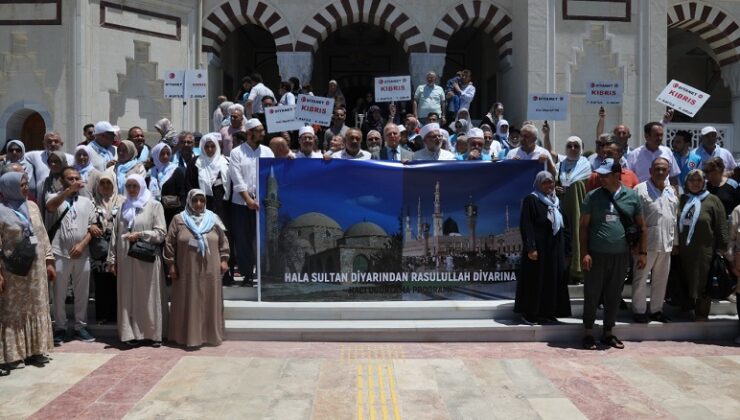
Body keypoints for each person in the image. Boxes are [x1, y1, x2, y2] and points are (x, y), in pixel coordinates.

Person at [580, 158, 647, 349]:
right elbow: (583, 227)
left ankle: (608, 332)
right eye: (600, 174)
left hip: (620, 256)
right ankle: (588, 332)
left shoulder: (631, 196)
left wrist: (643, 253)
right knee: (592, 293)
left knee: (614, 294)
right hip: (596, 254)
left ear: (617, 175)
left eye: (605, 175)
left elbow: (642, 226)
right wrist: (584, 253)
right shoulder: (592, 197)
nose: (601, 178)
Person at [0, 172, 56, 374]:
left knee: (37, 307)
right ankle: (14, 354)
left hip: (36, 270)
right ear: (9, 187)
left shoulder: (32, 206)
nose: (25, 188)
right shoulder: (1, 211)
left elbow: (42, 235)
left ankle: (35, 350)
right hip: (14, 272)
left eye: (26, 184)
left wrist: (49, 261)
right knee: (13, 311)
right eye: (21, 185)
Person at [164, 189, 229, 347]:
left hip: (210, 270)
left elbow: (223, 241)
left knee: (209, 300)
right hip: (186, 270)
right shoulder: (179, 219)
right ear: (189, 201)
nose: (198, 204)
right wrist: (171, 265)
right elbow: (169, 243)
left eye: (202, 200)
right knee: (188, 299)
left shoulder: (213, 219)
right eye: (195, 200)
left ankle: (210, 335)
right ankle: (186, 336)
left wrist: (224, 259)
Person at [108, 174, 166, 346]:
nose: (132, 190)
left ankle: (152, 334)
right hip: (126, 260)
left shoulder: (154, 206)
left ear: (142, 186)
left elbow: (161, 233)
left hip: (145, 259)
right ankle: (130, 334)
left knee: (148, 295)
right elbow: (114, 235)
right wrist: (112, 260)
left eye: (135, 186)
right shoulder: (122, 207)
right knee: (128, 297)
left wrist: (141, 235)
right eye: (129, 186)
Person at [45, 167, 96, 344]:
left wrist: (82, 244)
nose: (74, 181)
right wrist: (67, 192)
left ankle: (80, 326)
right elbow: (50, 208)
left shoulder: (86, 201)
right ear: (62, 181)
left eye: (76, 178)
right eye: (70, 179)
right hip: (59, 251)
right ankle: (60, 327)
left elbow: (93, 226)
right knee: (59, 293)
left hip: (82, 253)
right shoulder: (54, 197)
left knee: (82, 292)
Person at [516, 171, 571, 324]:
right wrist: (531, 247)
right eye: (545, 182)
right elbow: (526, 225)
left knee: (553, 281)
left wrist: (567, 250)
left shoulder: (556, 202)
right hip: (538, 250)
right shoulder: (531, 200)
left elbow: (565, 226)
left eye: (551, 182)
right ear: (538, 184)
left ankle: (548, 312)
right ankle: (530, 313)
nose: (549, 185)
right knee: (535, 280)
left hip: (555, 249)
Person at [677, 169, 729, 321]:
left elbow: (721, 225)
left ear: (704, 182)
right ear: (686, 182)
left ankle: (701, 313)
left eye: (698, 180)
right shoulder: (682, 199)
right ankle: (686, 308)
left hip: (704, 249)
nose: (695, 183)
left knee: (703, 280)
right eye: (691, 180)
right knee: (685, 278)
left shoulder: (712, 200)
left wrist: (723, 246)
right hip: (684, 250)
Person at [631, 157, 678, 323]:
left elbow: (674, 218)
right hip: (646, 244)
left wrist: (676, 242)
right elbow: (633, 219)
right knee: (641, 278)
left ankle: (656, 310)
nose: (660, 172)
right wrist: (636, 243)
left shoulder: (671, 191)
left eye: (663, 169)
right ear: (650, 171)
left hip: (666, 243)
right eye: (657, 168)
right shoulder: (639, 190)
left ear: (668, 172)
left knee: (661, 279)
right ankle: (639, 310)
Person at [229, 118, 274, 285]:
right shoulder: (237, 153)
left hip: (262, 204)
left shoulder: (268, 152)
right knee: (243, 240)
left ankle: (264, 274)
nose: (263, 133)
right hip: (241, 204)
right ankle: (247, 274)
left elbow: (272, 174)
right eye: (259, 130)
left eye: (263, 130)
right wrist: (248, 199)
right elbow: (237, 178)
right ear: (249, 133)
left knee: (262, 240)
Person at [555, 136, 592, 284]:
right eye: (569, 146)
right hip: (562, 205)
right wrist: (555, 189)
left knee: (578, 236)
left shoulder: (586, 165)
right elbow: (552, 184)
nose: (572, 149)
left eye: (576, 146)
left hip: (579, 206)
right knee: (563, 237)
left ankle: (577, 271)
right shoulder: (559, 166)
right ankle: (564, 272)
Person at [89, 172, 123, 324]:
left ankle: (116, 315)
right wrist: (91, 226)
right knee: (101, 281)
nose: (105, 186)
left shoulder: (122, 200)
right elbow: (85, 219)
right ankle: (102, 315)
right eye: (102, 183)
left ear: (114, 183)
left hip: (117, 245)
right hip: (99, 246)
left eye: (108, 183)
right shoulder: (92, 202)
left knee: (116, 280)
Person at [187, 132, 230, 221]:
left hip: (221, 204)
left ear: (217, 146)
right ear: (202, 147)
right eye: (206, 147)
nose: (209, 149)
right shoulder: (195, 163)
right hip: (201, 204)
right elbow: (189, 184)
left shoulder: (225, 162)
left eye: (212, 146)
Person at [25, 132, 74, 198]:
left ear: (61, 144)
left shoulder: (71, 158)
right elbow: (19, 156)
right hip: (41, 197)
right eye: (49, 141)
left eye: (56, 141)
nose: (52, 144)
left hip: (63, 197)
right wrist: (6, 156)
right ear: (44, 144)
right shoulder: (36, 155)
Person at [149, 143, 186, 226]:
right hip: (154, 211)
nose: (165, 156)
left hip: (173, 212)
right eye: (162, 154)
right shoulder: (151, 172)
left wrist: (181, 214)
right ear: (156, 155)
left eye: (168, 154)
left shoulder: (176, 170)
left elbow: (183, 193)